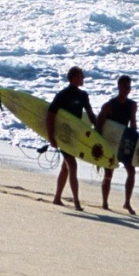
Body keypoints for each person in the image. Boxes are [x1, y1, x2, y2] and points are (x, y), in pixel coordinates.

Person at [46, 66, 96, 211]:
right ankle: (76, 202)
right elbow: (50, 115)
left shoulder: (83, 95)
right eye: (81, 76)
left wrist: (96, 130)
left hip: (74, 136)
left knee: (66, 167)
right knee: (72, 166)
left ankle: (57, 198)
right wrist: (51, 137)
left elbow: (90, 114)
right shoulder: (62, 95)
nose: (84, 78)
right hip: (62, 136)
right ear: (73, 77)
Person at [96, 74, 138, 214]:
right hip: (111, 142)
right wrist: (99, 146)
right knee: (109, 172)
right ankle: (105, 202)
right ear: (119, 87)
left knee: (131, 171)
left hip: (124, 142)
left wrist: (134, 143)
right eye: (125, 87)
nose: (128, 90)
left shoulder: (132, 105)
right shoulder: (109, 106)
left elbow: (133, 125)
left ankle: (127, 202)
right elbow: (99, 126)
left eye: (129, 87)